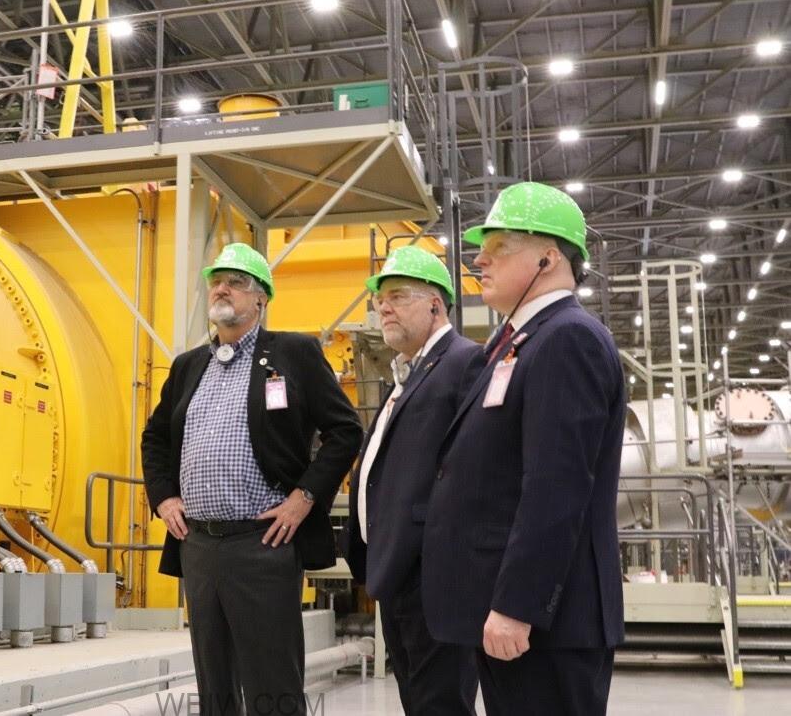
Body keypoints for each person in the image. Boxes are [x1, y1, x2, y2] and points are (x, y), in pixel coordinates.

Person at [421, 182, 626, 716]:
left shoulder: (568, 338)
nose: (479, 260)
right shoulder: (517, 343)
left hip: (544, 623)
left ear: (547, 259)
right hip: (515, 618)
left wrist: (518, 605)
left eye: (499, 247)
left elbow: (556, 487)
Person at [142, 243, 363, 716]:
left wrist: (305, 497)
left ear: (261, 297)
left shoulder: (293, 353)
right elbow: (155, 437)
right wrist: (163, 497)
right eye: (217, 280)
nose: (222, 288)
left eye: (237, 281)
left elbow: (346, 431)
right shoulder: (188, 366)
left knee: (272, 687)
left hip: (262, 543)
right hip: (198, 545)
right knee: (215, 687)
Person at [344, 246, 483, 715]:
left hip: (437, 574)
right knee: (418, 702)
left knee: (440, 703)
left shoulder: (465, 362)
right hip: (398, 571)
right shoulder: (406, 374)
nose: (383, 307)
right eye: (379, 299)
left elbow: (475, 470)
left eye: (398, 296)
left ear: (435, 305)